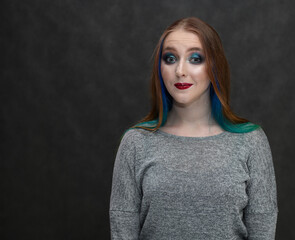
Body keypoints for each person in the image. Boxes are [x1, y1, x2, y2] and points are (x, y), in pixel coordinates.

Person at [110, 17, 278, 240]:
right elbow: (123, 232)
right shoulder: (136, 143)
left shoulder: (250, 141)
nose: (180, 70)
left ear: (214, 66)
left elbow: (262, 232)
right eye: (170, 58)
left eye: (195, 58)